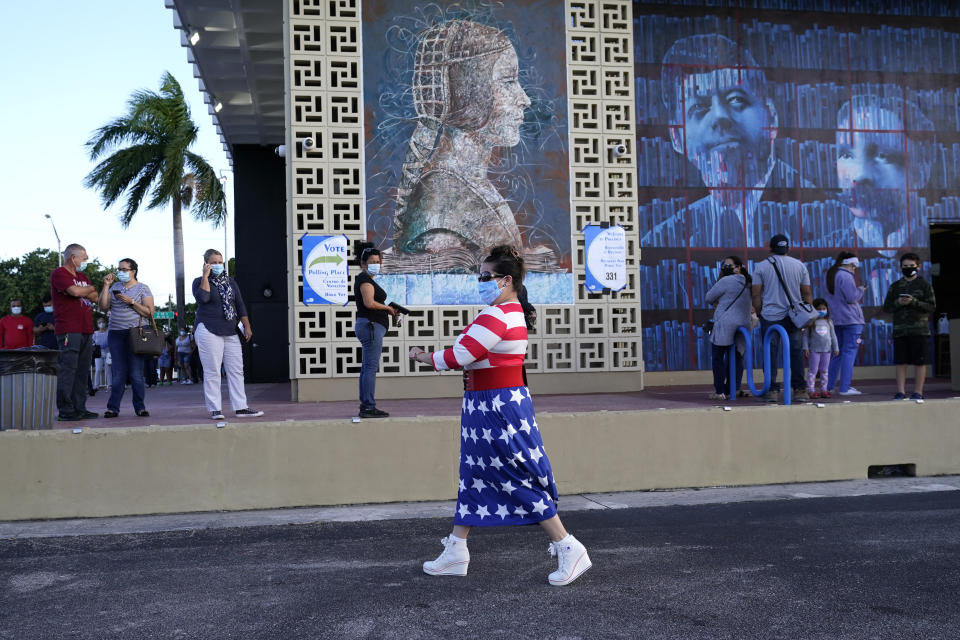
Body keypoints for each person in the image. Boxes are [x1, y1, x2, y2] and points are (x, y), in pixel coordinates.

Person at [408, 245, 591, 587]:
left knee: (513, 474)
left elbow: (462, 353)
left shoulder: (498, 314)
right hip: (487, 404)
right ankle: (457, 549)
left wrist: (422, 355)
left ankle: (567, 545)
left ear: (506, 280)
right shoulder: (507, 311)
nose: (480, 282)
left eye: (485, 276)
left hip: (496, 407)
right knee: (473, 474)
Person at [643, 34, 812, 248]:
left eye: (736, 99)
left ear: (771, 116)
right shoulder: (663, 241)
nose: (720, 116)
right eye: (700, 107)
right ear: (677, 137)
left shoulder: (833, 221)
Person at [389, 19, 530, 262]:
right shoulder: (440, 197)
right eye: (508, 81)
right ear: (468, 91)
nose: (524, 99)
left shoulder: (471, 183)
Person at [835, 95, 936, 254]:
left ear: (921, 170)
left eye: (883, 156)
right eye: (847, 156)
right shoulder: (831, 247)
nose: (859, 175)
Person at [192, 249, 263, 419]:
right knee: (213, 371)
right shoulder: (198, 281)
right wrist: (205, 276)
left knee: (236, 369)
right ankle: (215, 409)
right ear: (206, 263)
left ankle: (241, 407)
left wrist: (247, 326)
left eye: (219, 262)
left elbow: (239, 304)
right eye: (213, 262)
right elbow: (204, 298)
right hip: (208, 329)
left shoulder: (230, 282)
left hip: (230, 330)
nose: (217, 265)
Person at [751, 234, 813, 401]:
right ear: (788, 248)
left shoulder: (761, 266)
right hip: (794, 317)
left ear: (770, 248)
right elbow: (806, 293)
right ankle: (800, 389)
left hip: (770, 316)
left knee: (770, 354)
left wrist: (759, 311)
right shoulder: (799, 266)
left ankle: (771, 390)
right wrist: (807, 316)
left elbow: (756, 293)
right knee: (796, 353)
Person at [98, 258, 154, 418]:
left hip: (136, 333)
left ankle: (140, 407)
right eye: (119, 269)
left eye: (124, 269)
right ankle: (113, 408)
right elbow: (102, 306)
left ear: (133, 271)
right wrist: (106, 285)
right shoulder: (115, 287)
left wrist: (132, 302)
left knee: (136, 373)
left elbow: (150, 312)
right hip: (115, 333)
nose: (120, 272)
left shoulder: (143, 288)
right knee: (118, 372)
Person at [50, 243, 99, 421]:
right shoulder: (59, 273)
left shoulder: (83, 276)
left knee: (82, 370)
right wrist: (87, 290)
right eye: (83, 258)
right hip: (69, 329)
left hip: (86, 328)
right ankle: (66, 410)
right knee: (68, 369)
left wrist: (86, 291)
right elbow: (75, 291)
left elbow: (94, 296)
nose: (85, 261)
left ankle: (80, 408)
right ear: (73, 258)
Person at [882, 253, 936, 400]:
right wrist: (898, 303)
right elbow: (886, 307)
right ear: (900, 267)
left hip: (920, 330)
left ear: (918, 267)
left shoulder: (924, 285)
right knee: (900, 362)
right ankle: (900, 392)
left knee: (920, 362)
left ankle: (918, 392)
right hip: (900, 331)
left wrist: (914, 302)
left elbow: (932, 306)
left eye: (911, 266)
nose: (908, 269)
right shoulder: (895, 286)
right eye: (905, 266)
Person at [354, 247, 397, 418]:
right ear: (363, 264)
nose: (375, 265)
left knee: (367, 367)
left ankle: (366, 404)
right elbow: (369, 303)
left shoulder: (368, 279)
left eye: (378, 262)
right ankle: (368, 406)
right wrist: (387, 308)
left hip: (371, 325)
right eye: (372, 262)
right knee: (370, 367)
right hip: (370, 325)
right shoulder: (365, 280)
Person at [705, 256, 752, 400]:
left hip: (725, 323)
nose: (727, 268)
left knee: (718, 358)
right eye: (724, 265)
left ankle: (720, 391)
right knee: (737, 358)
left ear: (739, 267)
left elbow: (708, 297)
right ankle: (734, 388)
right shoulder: (749, 281)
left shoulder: (725, 281)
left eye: (730, 265)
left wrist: (718, 303)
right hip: (744, 324)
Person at [823, 252, 866, 396]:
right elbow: (851, 297)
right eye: (854, 267)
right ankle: (845, 387)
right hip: (851, 320)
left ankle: (828, 386)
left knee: (837, 353)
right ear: (851, 264)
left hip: (836, 320)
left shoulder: (830, 275)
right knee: (849, 352)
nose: (854, 270)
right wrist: (861, 290)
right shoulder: (846, 276)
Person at [802, 299, 839, 399]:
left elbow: (833, 336)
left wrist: (836, 348)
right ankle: (811, 390)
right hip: (814, 350)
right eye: (819, 309)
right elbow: (805, 336)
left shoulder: (829, 322)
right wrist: (805, 348)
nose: (822, 311)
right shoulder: (811, 322)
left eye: (824, 308)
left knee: (824, 371)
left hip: (827, 351)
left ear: (827, 309)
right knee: (813, 371)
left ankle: (824, 389)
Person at [92, 318, 110, 389]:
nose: (101, 324)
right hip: (98, 353)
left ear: (105, 323)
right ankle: (96, 385)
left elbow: (111, 341)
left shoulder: (108, 332)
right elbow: (92, 342)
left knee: (108, 370)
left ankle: (109, 385)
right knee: (98, 369)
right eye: (99, 323)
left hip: (108, 353)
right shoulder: (95, 333)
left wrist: (107, 344)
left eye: (102, 322)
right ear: (97, 324)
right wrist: (97, 346)